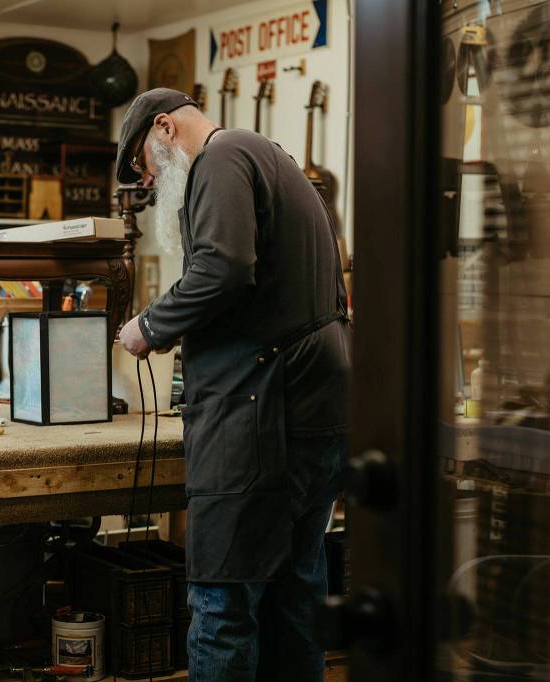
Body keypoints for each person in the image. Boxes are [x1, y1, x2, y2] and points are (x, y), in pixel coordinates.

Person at [114, 88, 351, 681]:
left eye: (144, 161)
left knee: (221, 604)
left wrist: (150, 325)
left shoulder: (223, 157)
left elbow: (220, 269)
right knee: (293, 596)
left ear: (165, 126)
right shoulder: (272, 156)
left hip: (261, 416)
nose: (148, 178)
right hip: (307, 408)